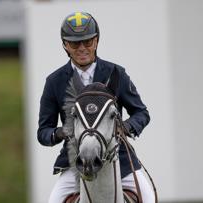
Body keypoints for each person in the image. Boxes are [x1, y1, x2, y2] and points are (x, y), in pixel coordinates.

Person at [37, 12, 155, 203]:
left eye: (88, 42)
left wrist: (125, 127)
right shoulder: (54, 81)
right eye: (75, 43)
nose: (82, 48)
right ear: (65, 45)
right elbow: (43, 132)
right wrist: (60, 133)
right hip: (76, 162)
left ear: (97, 41)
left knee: (148, 198)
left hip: (119, 160)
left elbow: (141, 113)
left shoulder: (116, 73)